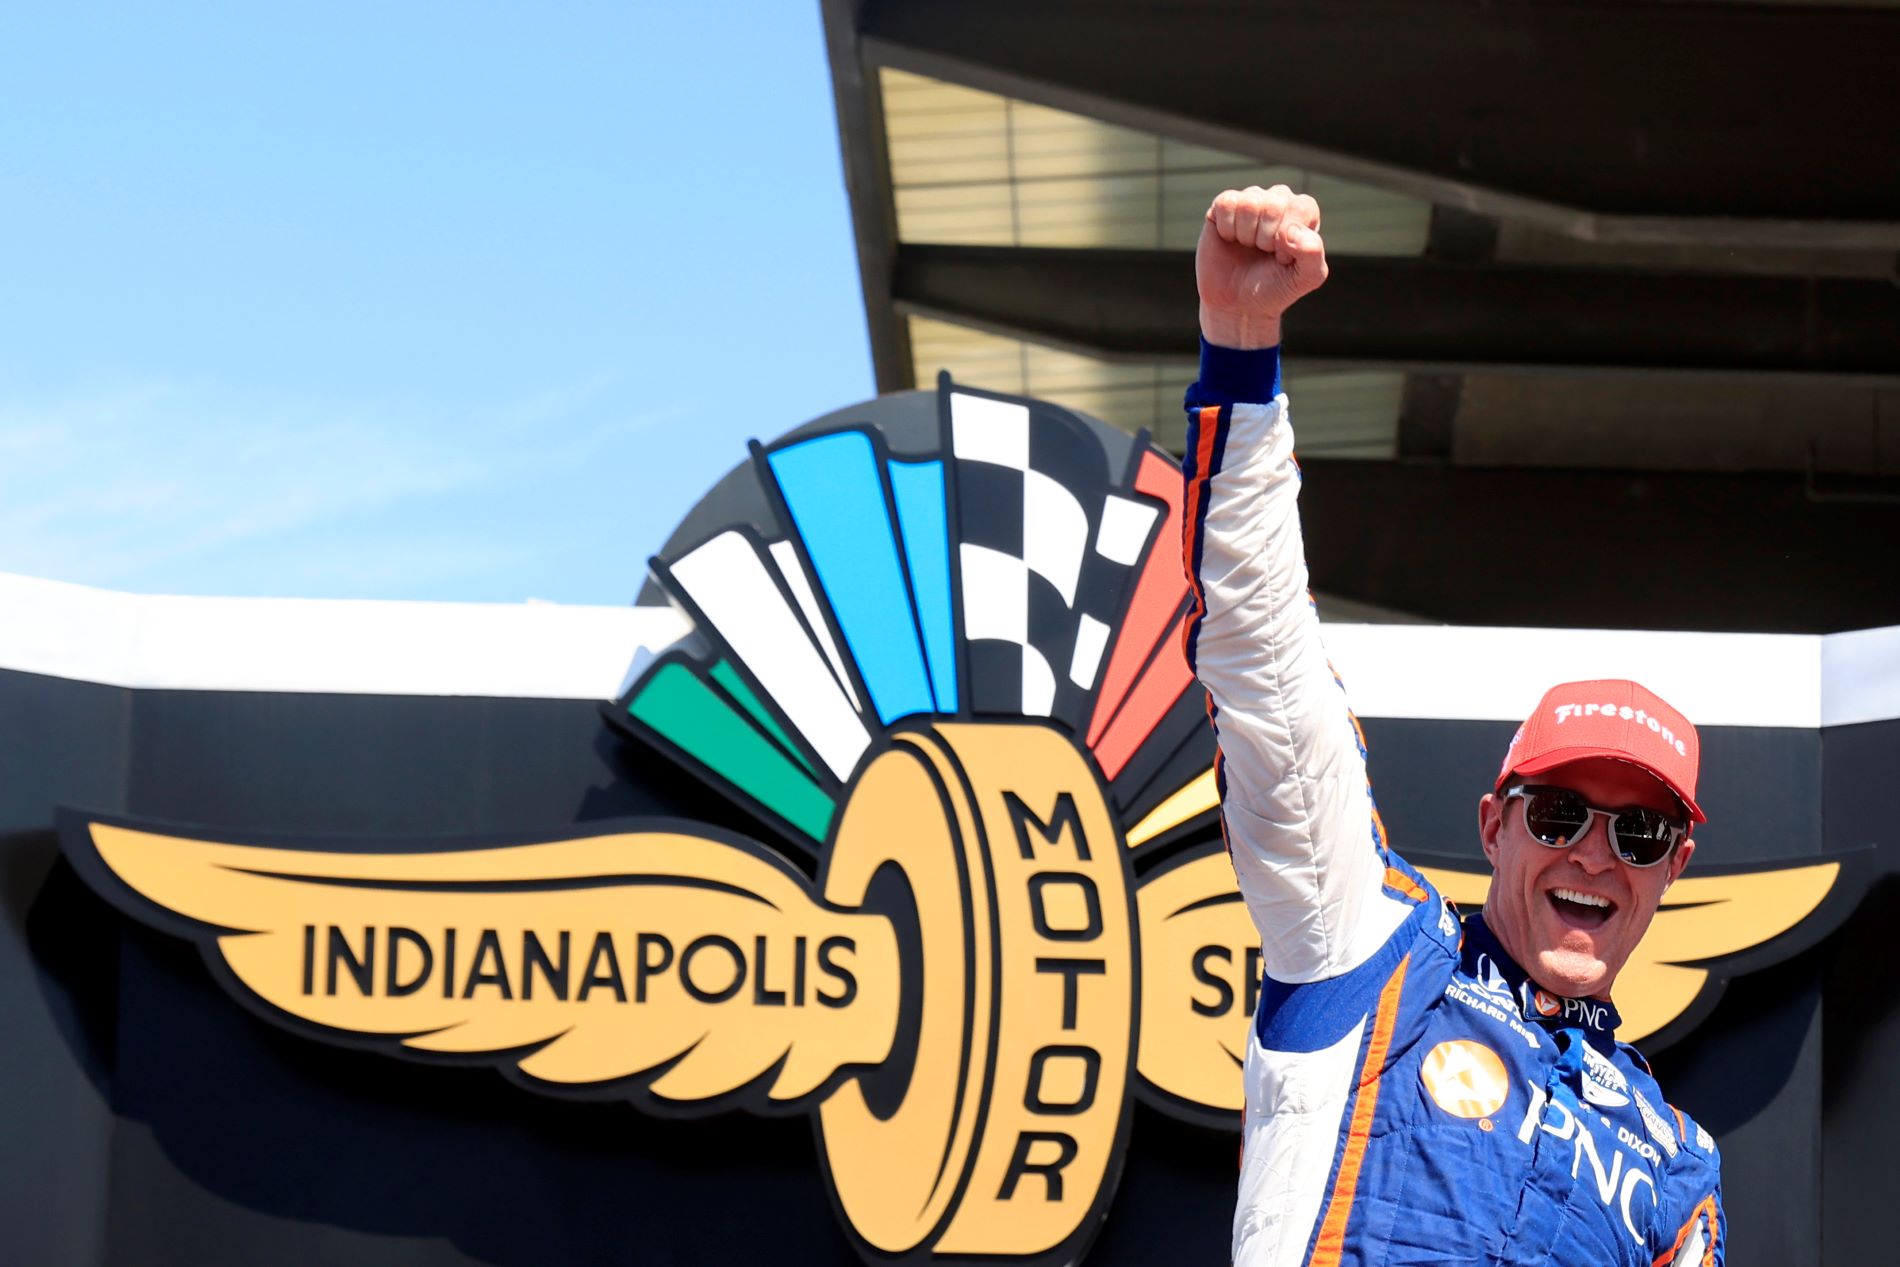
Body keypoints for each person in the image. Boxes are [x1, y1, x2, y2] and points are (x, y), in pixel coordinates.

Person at [1184, 185, 1725, 1266]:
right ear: (1494, 825)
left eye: (1639, 834)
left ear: (1673, 869)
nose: (1593, 855)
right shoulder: (1370, 941)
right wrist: (1242, 346)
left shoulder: (1676, 1164)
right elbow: (1266, 667)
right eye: (1563, 812)